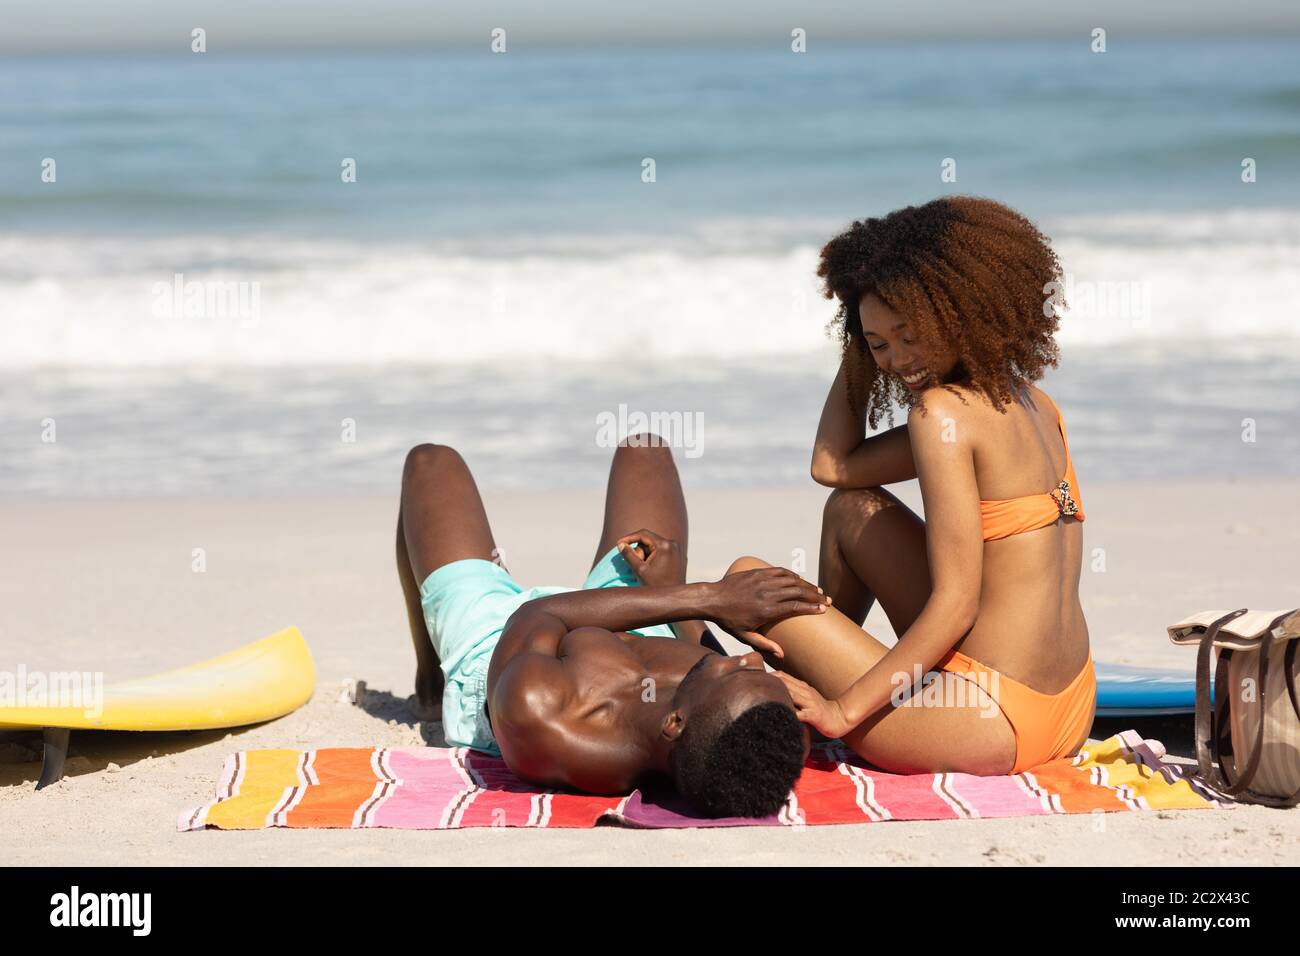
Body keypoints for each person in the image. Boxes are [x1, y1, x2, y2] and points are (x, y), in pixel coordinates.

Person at [729, 196, 1096, 776]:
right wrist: (861, 331)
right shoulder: (1031, 400)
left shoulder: (940, 417)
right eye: (878, 345)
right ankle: (807, 670)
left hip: (985, 723)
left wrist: (842, 710)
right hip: (1072, 709)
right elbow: (834, 469)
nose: (898, 360)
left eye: (910, 335)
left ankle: (808, 690)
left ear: (959, 312)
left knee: (747, 579)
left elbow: (956, 605)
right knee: (852, 510)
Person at [395, 434, 828, 816]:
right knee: (646, 450)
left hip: (500, 644)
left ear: (675, 724)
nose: (748, 658)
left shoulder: (542, 718)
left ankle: (430, 680)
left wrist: (706, 596)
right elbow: (722, 683)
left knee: (430, 461)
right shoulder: (725, 722)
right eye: (756, 669)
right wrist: (677, 592)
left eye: (739, 672)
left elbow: (539, 615)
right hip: (629, 626)